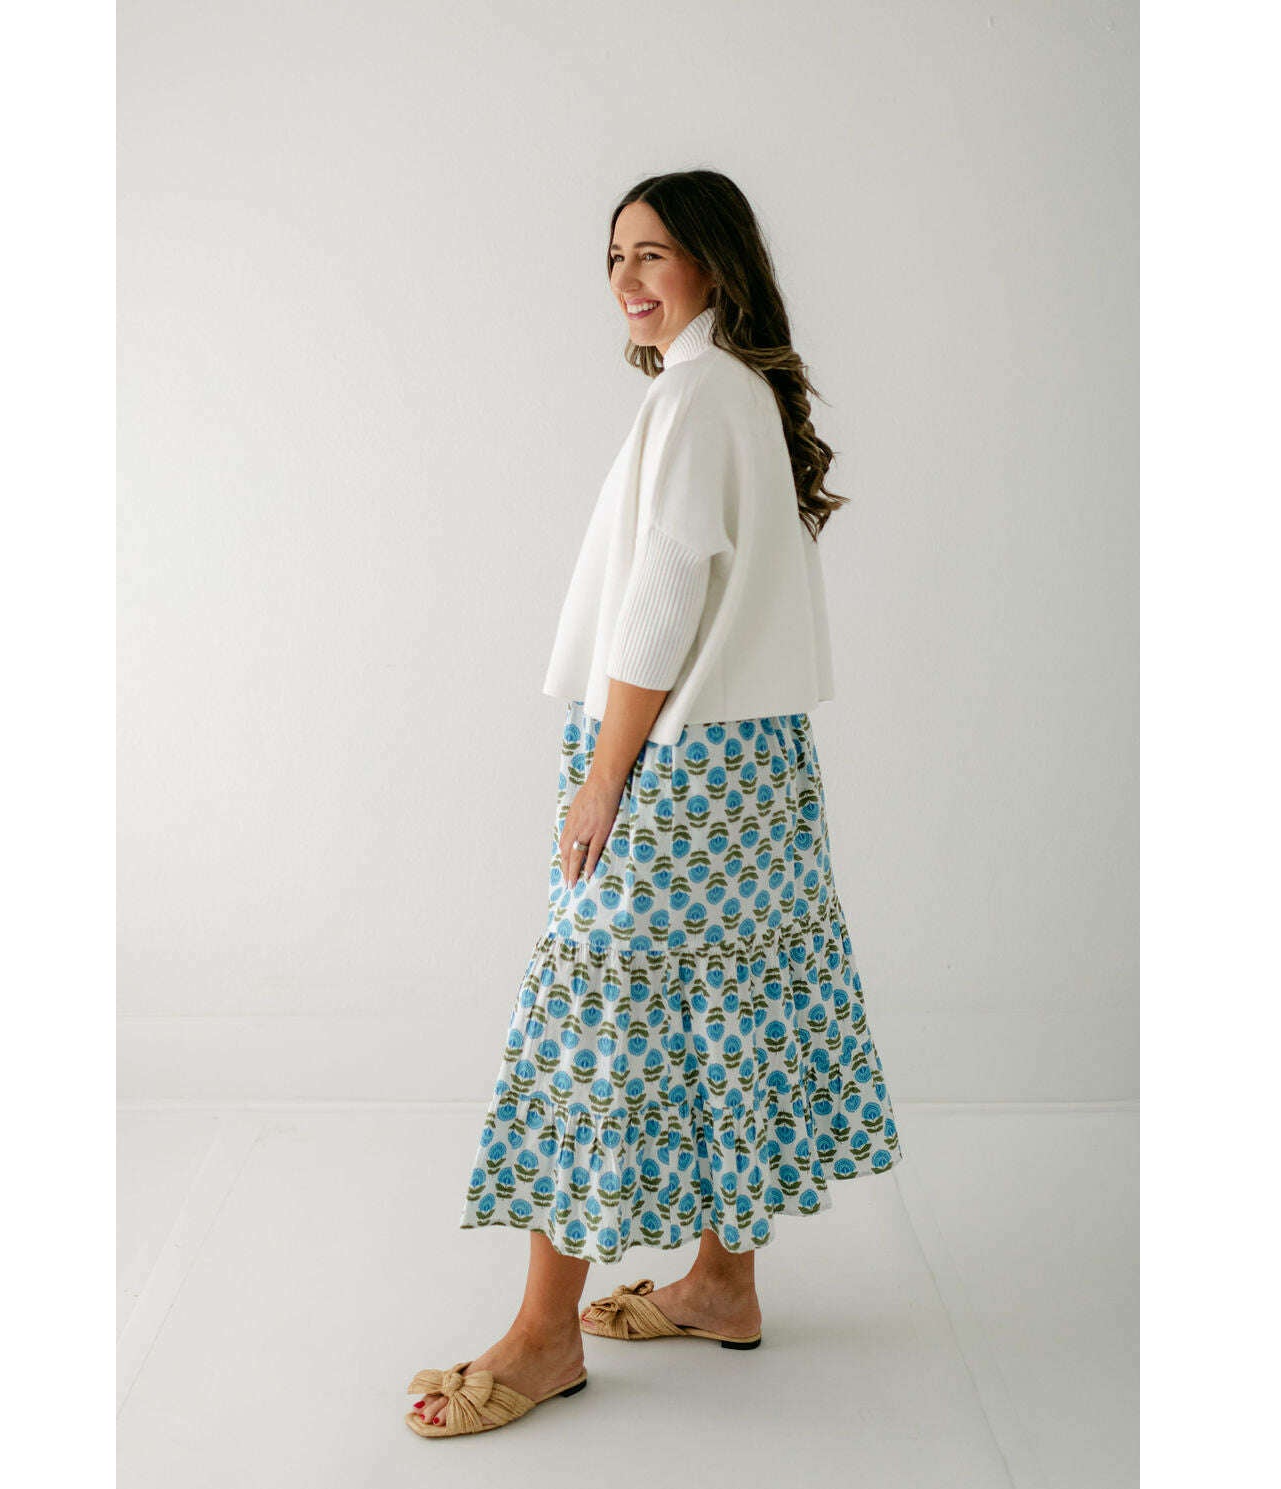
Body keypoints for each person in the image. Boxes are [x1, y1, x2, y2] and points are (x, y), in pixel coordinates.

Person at [405, 170, 905, 1439]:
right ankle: (721, 1283)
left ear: (713, 264)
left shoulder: (695, 394)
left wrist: (605, 771)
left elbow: (670, 584)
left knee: (593, 1021)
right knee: (731, 997)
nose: (627, 279)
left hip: (674, 759)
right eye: (615, 256)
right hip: (756, 760)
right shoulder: (734, 389)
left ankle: (542, 1337)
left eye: (653, 254)